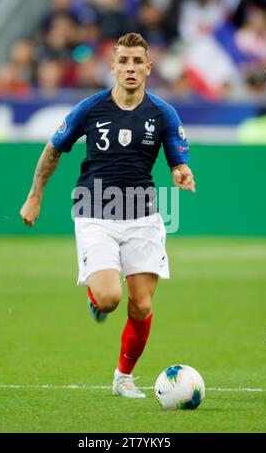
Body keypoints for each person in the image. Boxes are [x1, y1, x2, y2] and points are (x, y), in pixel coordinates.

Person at [20, 33, 195, 398]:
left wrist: (181, 172)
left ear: (149, 67)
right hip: (95, 213)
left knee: (142, 304)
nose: (130, 68)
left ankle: (122, 378)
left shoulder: (163, 113)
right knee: (111, 297)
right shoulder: (90, 109)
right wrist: (34, 197)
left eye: (137, 62)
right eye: (124, 61)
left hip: (143, 216)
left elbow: (178, 161)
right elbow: (53, 151)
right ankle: (96, 298)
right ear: (112, 66)